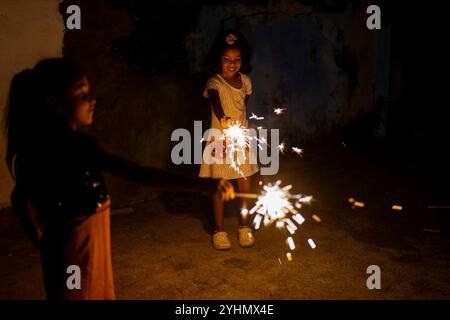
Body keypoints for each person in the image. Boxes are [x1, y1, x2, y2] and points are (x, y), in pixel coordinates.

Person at [4, 58, 235, 300]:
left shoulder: (44, 147)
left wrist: (39, 239)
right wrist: (203, 184)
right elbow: (142, 175)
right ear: (56, 103)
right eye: (81, 94)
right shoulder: (78, 147)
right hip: (76, 257)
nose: (92, 101)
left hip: (79, 253)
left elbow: (19, 196)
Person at [199, 30, 259, 250]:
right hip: (219, 141)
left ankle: (244, 227)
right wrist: (223, 118)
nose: (232, 64)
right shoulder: (214, 82)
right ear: (218, 60)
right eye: (227, 60)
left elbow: (244, 103)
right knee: (220, 185)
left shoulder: (246, 82)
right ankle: (219, 230)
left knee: (245, 181)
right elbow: (214, 100)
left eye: (237, 60)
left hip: (241, 140)